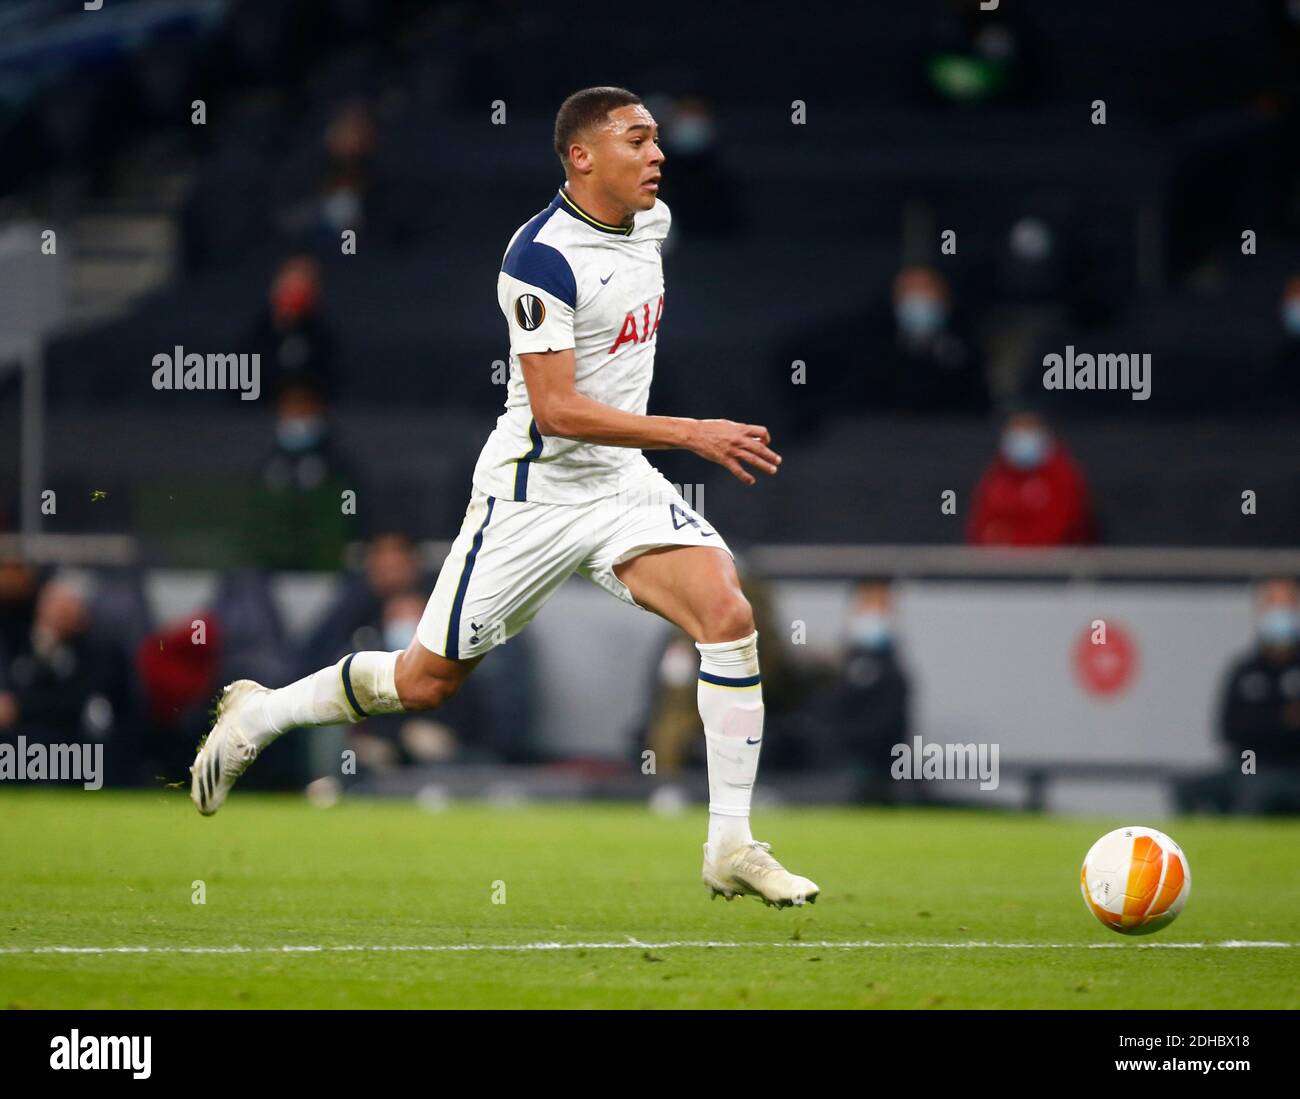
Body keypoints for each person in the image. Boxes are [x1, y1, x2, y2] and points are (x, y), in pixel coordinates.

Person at [189, 87, 818, 908]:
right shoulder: (539, 259)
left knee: (728, 615)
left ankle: (730, 842)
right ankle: (262, 715)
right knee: (423, 682)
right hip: (534, 496)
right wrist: (692, 432)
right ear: (581, 156)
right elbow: (555, 409)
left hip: (620, 484)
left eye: (659, 139)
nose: (658, 154)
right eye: (638, 140)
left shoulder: (653, 225)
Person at [967, 410, 1096, 546]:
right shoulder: (997, 476)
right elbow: (981, 527)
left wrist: (1010, 539)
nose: (1022, 438)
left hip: (1057, 563)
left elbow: (1059, 530)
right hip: (1001, 563)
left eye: (1027, 430)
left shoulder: (1062, 475)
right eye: (1017, 432)